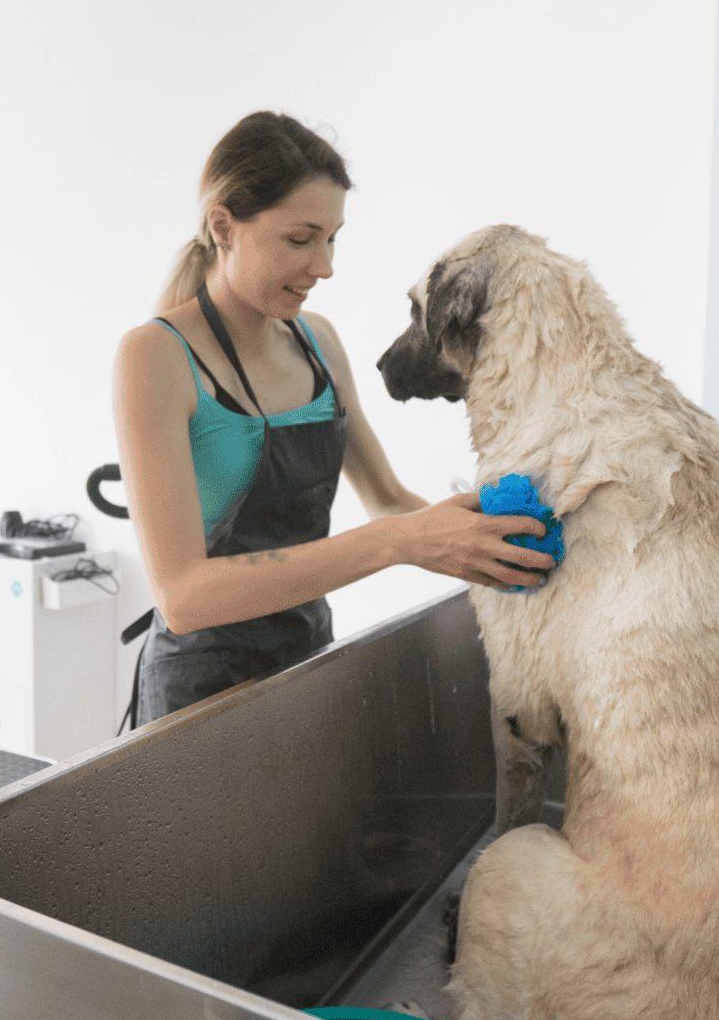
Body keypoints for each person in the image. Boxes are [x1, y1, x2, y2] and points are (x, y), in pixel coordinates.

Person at [114, 111, 552, 726]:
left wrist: (491, 541)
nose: (324, 266)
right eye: (301, 239)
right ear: (224, 227)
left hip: (306, 664)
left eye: (332, 238)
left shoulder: (316, 341)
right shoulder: (155, 356)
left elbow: (389, 501)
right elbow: (184, 596)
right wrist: (399, 542)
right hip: (198, 700)